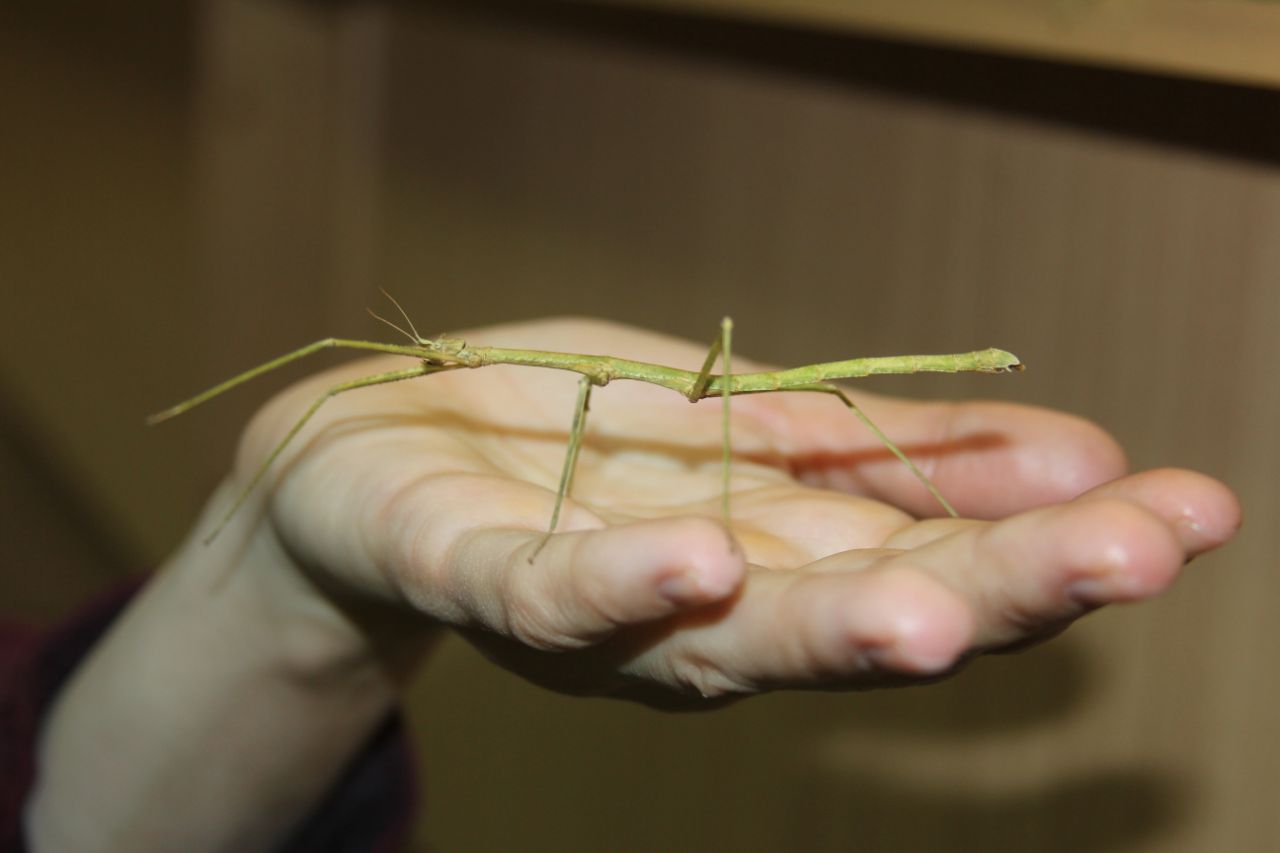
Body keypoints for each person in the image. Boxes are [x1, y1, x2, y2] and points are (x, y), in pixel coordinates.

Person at [14, 317, 1240, 851]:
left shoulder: (628, 390)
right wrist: (282, 546)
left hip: (770, 390)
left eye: (439, 359)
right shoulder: (526, 383)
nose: (431, 363)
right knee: (343, 374)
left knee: (825, 404)